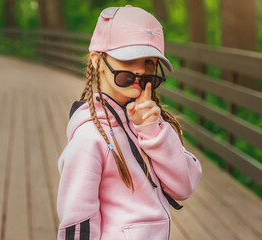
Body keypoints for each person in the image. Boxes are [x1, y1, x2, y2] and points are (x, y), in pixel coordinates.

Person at [56, 5, 202, 240]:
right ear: (98, 61)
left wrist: (152, 132)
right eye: (129, 58)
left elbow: (184, 186)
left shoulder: (150, 124)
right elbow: (78, 222)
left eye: (149, 62)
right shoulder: (89, 138)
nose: (140, 70)